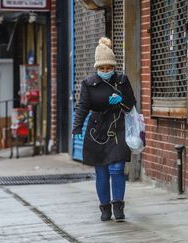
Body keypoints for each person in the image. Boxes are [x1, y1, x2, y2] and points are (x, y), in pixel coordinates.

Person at [72, 37, 136, 222]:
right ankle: (105, 208)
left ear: (114, 66)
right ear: (97, 68)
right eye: (102, 69)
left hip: (118, 127)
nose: (106, 71)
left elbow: (132, 103)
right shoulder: (88, 83)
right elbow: (83, 106)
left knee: (117, 168)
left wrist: (122, 99)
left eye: (109, 68)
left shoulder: (122, 80)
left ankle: (118, 206)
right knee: (101, 171)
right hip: (97, 130)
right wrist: (77, 126)